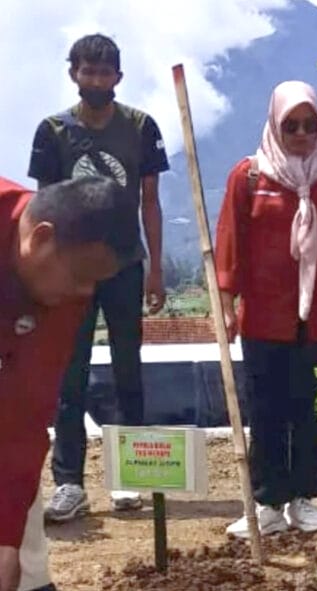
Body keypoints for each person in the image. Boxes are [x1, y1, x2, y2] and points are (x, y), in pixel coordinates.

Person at [215, 81, 317, 536]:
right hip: (265, 315)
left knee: (311, 408)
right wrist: (225, 302)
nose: (302, 134)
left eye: (310, 124)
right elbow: (230, 243)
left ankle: (304, 498)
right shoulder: (249, 175)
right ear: (275, 126)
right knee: (266, 409)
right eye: (291, 126)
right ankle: (267, 502)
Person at [27, 33, 170, 521]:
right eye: (88, 72)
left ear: (118, 77)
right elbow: (42, 207)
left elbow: (150, 201)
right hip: (71, 273)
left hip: (126, 266)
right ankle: (70, 484)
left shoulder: (140, 128)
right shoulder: (53, 132)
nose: (96, 81)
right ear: (74, 74)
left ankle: (131, 477)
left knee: (129, 369)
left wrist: (155, 268)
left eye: (104, 73)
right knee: (70, 373)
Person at [0, 175, 139, 591]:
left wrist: (4, 540)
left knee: (21, 565)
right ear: (40, 238)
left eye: (97, 282)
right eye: (82, 275)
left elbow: (24, 416)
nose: (86, 292)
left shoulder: (67, 294)